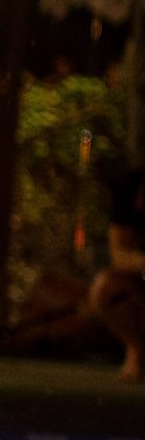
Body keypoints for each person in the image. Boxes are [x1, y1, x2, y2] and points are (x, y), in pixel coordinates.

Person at [90, 161, 145, 381]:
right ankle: (138, 349)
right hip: (139, 279)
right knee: (106, 288)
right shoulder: (130, 187)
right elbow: (119, 255)